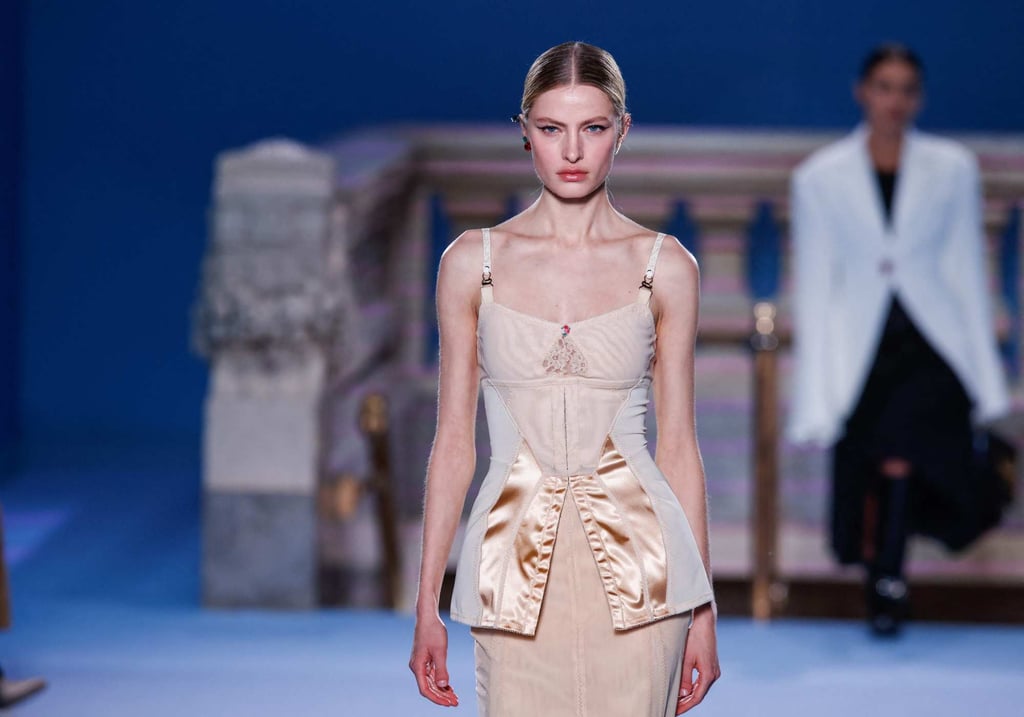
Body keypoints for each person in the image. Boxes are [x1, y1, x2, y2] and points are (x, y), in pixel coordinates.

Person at [409, 42, 719, 715]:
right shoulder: (473, 263)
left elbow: (678, 449)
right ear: (524, 133)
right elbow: (454, 444)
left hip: (648, 574)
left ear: (622, 132)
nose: (572, 151)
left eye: (593, 128)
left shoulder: (665, 267)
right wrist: (426, 600)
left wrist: (704, 609)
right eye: (552, 129)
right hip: (510, 572)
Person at [787, 44, 1010, 636]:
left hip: (932, 344)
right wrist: (817, 386)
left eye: (907, 88)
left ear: (920, 97)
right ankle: (887, 579)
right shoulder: (819, 177)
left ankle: (887, 579)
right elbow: (815, 283)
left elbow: (966, 263)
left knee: (907, 455)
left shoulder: (953, 168)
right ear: (863, 92)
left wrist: (985, 373)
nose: (895, 100)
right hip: (863, 350)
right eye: (884, 86)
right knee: (885, 461)